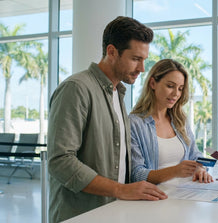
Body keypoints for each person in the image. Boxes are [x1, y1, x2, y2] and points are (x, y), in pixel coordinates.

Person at [47, 16, 167, 223]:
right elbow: (60, 161)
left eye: (144, 60)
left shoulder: (117, 94)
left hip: (112, 212)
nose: (142, 69)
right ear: (112, 52)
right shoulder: (76, 88)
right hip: (80, 215)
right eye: (136, 59)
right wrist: (121, 190)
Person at [129, 59, 213, 184]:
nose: (176, 94)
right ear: (152, 83)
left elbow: (195, 155)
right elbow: (136, 174)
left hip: (185, 193)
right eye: (170, 86)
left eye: (180, 88)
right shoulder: (134, 123)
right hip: (155, 198)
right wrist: (175, 171)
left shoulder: (180, 121)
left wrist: (200, 168)